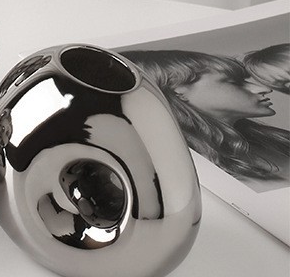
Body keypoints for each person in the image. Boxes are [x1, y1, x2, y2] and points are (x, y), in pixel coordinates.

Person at [121, 49, 289, 187]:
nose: (263, 89)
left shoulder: (275, 141)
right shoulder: (179, 172)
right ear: (177, 91)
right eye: (234, 82)